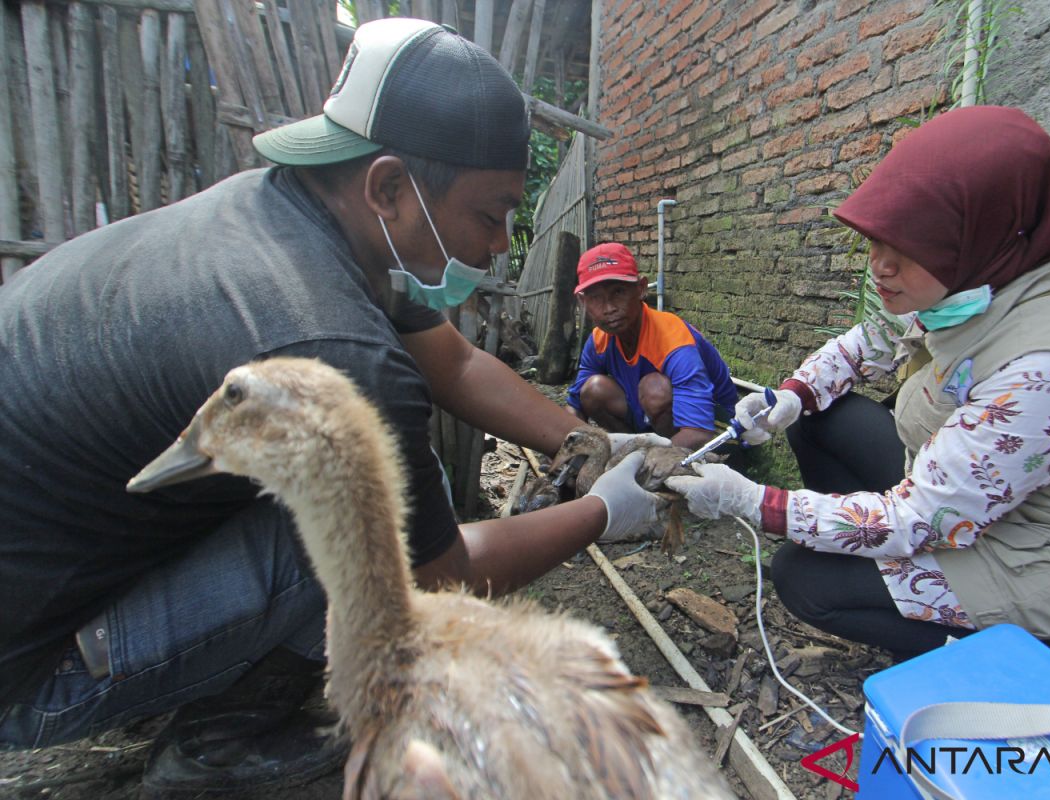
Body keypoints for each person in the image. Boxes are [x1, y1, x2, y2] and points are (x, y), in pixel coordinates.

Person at [0, 18, 662, 797]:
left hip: (47, 590)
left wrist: (587, 446)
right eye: (491, 215)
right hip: (28, 676)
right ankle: (222, 744)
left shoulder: (286, 218)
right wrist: (602, 515)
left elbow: (455, 360)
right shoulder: (328, 342)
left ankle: (185, 661)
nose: (497, 249)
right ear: (387, 185)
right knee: (359, 521)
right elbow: (431, 585)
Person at [665, 106, 1050, 684]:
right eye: (876, 240)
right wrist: (792, 397)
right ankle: (890, 570)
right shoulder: (972, 287)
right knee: (819, 420)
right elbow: (863, 345)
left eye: (909, 248)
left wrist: (756, 503)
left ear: (984, 234)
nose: (880, 266)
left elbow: (919, 517)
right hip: (971, 499)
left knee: (807, 579)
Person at [567, 242, 740, 453]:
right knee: (593, 389)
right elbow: (575, 407)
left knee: (654, 389)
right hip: (653, 424)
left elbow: (698, 433)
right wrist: (566, 448)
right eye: (596, 298)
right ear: (583, 302)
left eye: (618, 292)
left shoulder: (673, 340)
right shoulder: (598, 340)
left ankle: (656, 465)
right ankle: (636, 454)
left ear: (641, 289)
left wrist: (636, 466)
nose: (609, 308)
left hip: (717, 433)